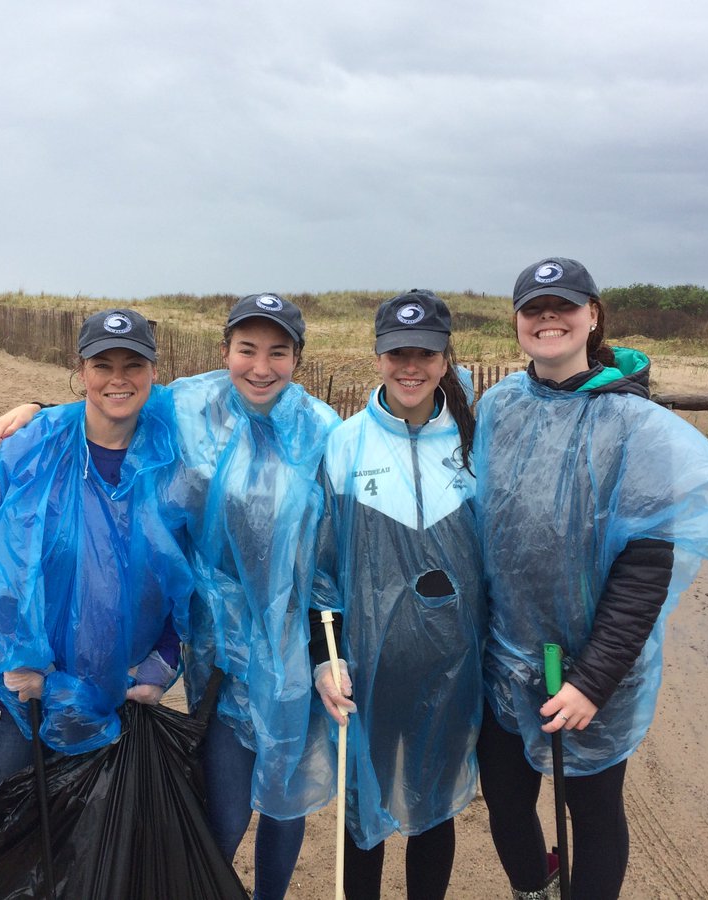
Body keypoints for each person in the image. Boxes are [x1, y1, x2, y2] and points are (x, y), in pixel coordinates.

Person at [0, 294, 339, 900]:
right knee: (220, 813)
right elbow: (112, 402)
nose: (261, 366)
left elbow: (334, 556)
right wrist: (39, 411)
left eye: (278, 352)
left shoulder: (324, 430)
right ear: (224, 351)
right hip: (217, 647)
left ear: (298, 358)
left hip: (292, 645)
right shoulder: (189, 405)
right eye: (247, 349)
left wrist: (329, 648)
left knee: (284, 797)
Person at [473, 258, 708, 899]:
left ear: (592, 316)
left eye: (564, 306)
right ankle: (533, 888)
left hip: (591, 671)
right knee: (506, 803)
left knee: (592, 816)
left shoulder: (636, 426)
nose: (549, 319)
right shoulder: (498, 408)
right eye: (534, 308)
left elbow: (647, 569)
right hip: (504, 659)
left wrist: (592, 680)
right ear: (516, 323)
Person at [0, 309, 193, 900]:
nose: (117, 379)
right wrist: (11, 656)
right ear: (81, 370)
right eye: (103, 365)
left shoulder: (176, 462)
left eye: (133, 365)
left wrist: (162, 664)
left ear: (154, 372)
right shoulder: (33, 448)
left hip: (112, 699)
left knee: (82, 853)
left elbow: (190, 579)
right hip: (19, 693)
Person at [312, 290, 486, 900]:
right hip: (368, 667)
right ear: (378, 355)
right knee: (365, 811)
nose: (410, 367)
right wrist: (323, 655)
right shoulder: (345, 444)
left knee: (432, 810)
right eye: (396, 353)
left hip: (453, 666)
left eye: (425, 354)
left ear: (444, 359)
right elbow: (322, 567)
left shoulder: (475, 442)